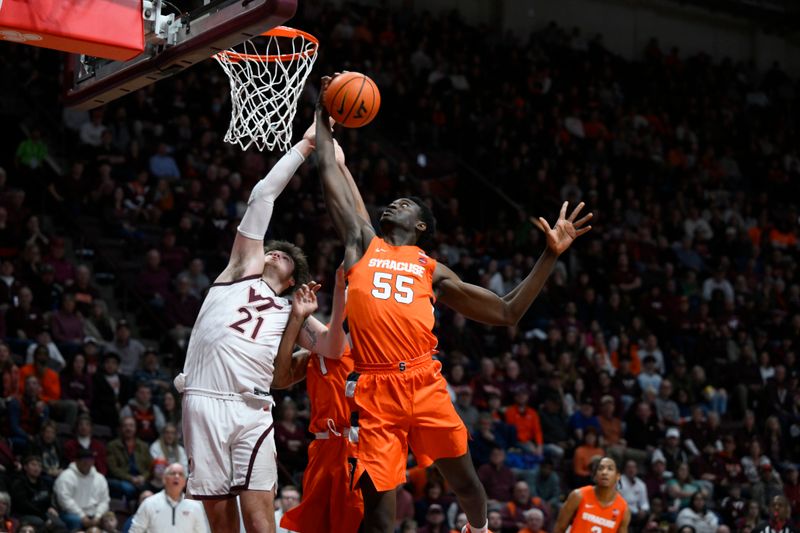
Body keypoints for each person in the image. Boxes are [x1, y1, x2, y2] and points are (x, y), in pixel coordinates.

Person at [315, 75, 592, 533]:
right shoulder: (362, 242)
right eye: (394, 201)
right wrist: (323, 113)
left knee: (467, 486)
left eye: (406, 204)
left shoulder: (433, 269)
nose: (394, 204)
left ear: (421, 226)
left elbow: (506, 312)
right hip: (375, 390)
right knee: (380, 516)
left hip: (424, 381)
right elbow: (328, 171)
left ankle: (478, 531)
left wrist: (549, 254)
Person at [176, 120, 346, 533]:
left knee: (259, 521)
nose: (274, 252)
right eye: (271, 250)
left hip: (253, 409)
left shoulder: (292, 308)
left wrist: (341, 294)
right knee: (221, 522)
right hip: (204, 399)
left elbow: (334, 348)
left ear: (292, 280)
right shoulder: (240, 271)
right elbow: (263, 194)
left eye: (284, 256)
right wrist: (305, 146)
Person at [278, 266, 364, 532]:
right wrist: (295, 320)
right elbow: (279, 378)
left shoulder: (375, 354)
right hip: (321, 449)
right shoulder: (320, 350)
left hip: (357, 449)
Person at [553, 457, 631, 533]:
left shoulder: (623, 509)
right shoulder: (578, 495)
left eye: (610, 469)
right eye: (600, 468)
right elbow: (559, 528)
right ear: (595, 475)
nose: (604, 472)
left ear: (618, 476)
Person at [129, 462, 209, 532]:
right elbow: (135, 530)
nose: (176, 476)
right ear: (164, 479)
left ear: (185, 482)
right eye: (173, 473)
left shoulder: (195, 507)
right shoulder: (149, 503)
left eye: (180, 474)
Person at [53, 448, 110, 531]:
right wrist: (81, 515)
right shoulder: (66, 477)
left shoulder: (100, 478)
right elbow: (64, 500)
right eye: (83, 460)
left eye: (89, 460)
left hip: (94, 514)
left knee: (109, 520)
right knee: (75, 520)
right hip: (71, 513)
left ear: (93, 462)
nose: (86, 463)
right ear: (76, 461)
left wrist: (98, 516)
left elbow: (105, 500)